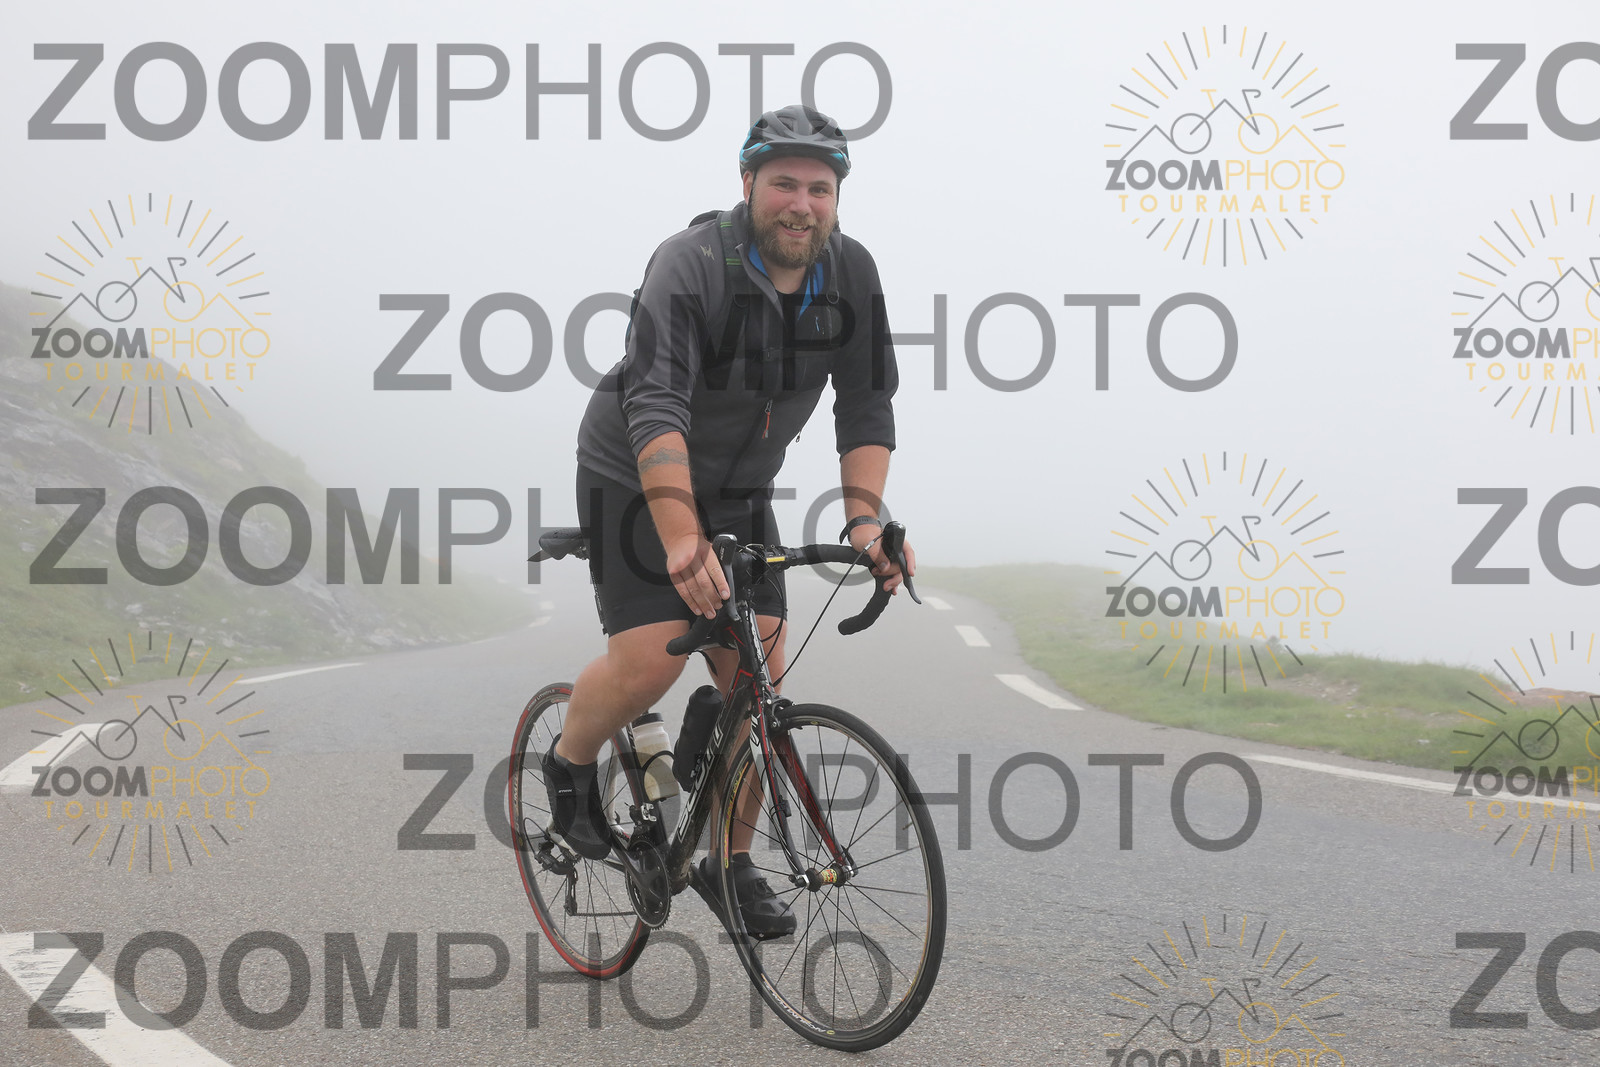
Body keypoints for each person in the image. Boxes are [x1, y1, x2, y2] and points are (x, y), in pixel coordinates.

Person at [545, 104, 914, 936]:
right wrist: (680, 537)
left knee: (756, 676)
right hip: (632, 472)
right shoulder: (691, 265)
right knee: (651, 659)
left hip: (741, 486)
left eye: (819, 189)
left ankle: (728, 858)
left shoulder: (851, 274)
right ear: (747, 182)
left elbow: (866, 405)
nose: (801, 204)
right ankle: (568, 767)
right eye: (784, 183)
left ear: (836, 197)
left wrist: (864, 523)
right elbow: (656, 403)